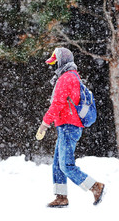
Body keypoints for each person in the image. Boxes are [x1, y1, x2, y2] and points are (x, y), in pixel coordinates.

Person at [38, 47, 105, 208]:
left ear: (62, 61)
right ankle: (61, 197)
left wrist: (45, 123)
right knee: (57, 164)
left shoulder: (66, 78)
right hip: (66, 125)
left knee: (66, 165)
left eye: (56, 62)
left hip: (69, 126)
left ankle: (95, 186)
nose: (54, 66)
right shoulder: (71, 76)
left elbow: (58, 103)